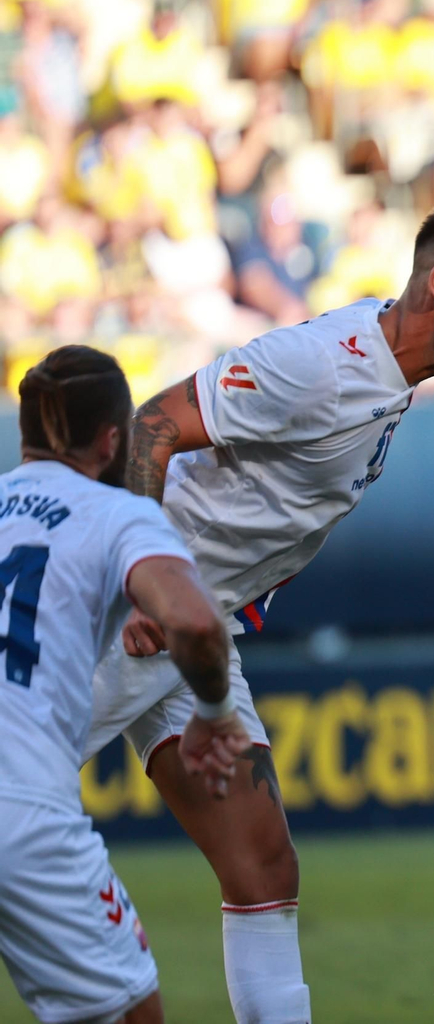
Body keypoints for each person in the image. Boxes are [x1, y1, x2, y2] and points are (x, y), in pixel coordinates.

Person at [85, 205, 434, 1023]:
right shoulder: (321, 364)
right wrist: (143, 579)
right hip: (124, 611)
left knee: (263, 865)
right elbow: (149, 427)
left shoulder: (393, 373)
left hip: (196, 624)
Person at [0, 346, 248, 1024]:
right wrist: (216, 710)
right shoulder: (117, 514)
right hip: (22, 813)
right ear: (113, 440)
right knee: (128, 1010)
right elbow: (195, 624)